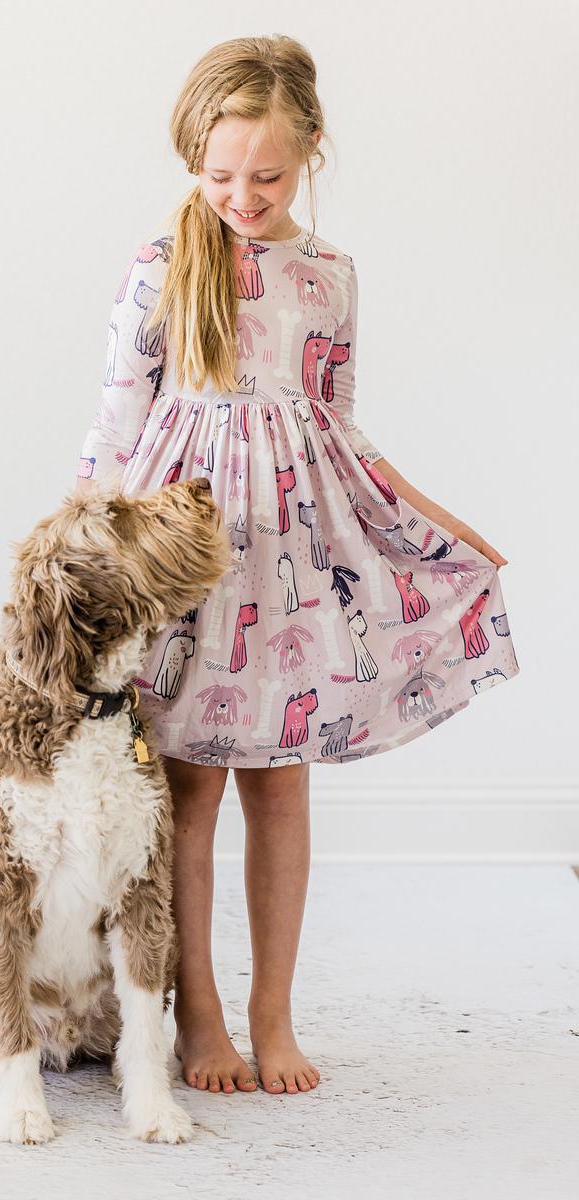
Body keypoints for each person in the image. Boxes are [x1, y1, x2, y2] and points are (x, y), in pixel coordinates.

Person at [73, 34, 520, 1097]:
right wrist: (87, 564)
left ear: (310, 150)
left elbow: (341, 430)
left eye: (265, 176)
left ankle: (274, 1011)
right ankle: (201, 1016)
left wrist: (441, 525)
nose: (240, 194)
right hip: (187, 570)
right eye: (218, 173)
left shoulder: (327, 276)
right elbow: (113, 430)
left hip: (293, 573)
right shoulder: (161, 267)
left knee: (280, 794)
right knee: (189, 797)